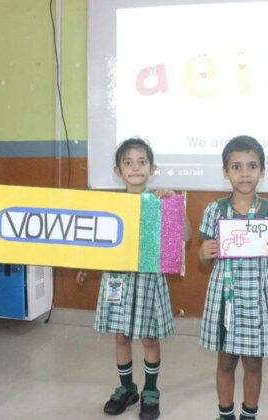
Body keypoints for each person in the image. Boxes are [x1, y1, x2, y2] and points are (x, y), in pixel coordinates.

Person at [77, 138, 191, 419]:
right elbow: (98, 241)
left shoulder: (160, 201)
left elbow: (186, 236)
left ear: (152, 168)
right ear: (118, 171)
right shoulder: (111, 206)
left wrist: (174, 206)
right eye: (128, 162)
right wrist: (86, 265)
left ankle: (151, 391)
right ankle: (127, 388)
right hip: (117, 280)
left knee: (149, 338)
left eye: (142, 162)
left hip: (149, 280)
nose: (135, 167)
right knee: (121, 336)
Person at [198, 135, 268, 420]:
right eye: (236, 167)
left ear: (262, 171)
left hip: (257, 298)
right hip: (224, 297)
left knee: (253, 364)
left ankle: (249, 414)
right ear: (225, 172)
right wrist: (203, 253)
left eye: (252, 166)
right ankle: (225, 414)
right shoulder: (214, 210)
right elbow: (203, 258)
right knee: (225, 362)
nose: (245, 173)